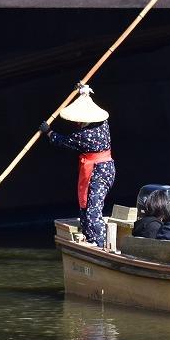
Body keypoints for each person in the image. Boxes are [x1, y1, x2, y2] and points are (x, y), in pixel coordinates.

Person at [43, 84, 114, 249]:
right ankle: (90, 236)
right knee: (88, 204)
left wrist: (48, 132)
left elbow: (62, 141)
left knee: (92, 208)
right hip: (107, 168)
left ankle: (99, 243)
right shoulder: (103, 123)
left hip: (98, 171)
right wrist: (83, 92)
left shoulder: (83, 135)